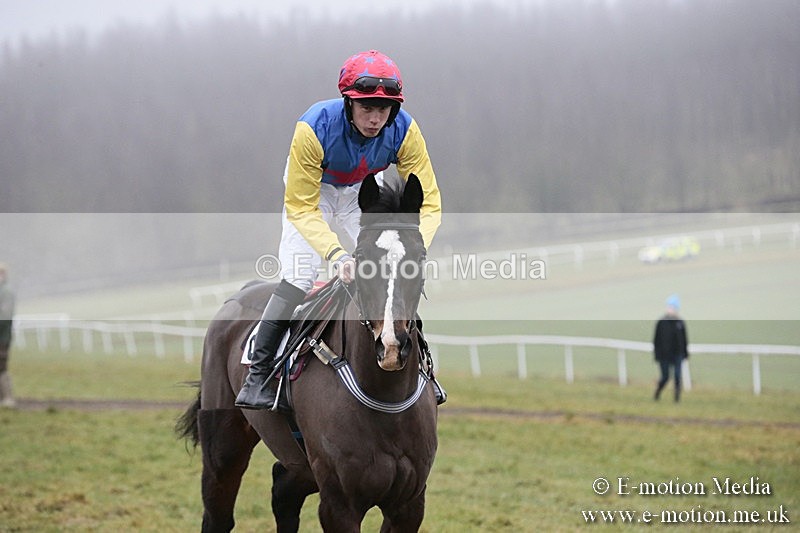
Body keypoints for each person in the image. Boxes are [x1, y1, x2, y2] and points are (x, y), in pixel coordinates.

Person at [236, 50, 442, 409]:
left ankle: (422, 365)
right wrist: (336, 255)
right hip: (313, 194)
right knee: (300, 276)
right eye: (366, 107)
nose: (376, 119)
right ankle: (258, 374)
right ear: (348, 102)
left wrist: (412, 246)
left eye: (384, 109)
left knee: (394, 267)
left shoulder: (405, 130)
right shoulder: (313, 127)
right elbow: (301, 207)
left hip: (360, 191)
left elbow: (429, 203)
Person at [653, 294, 689, 402]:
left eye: (673, 307)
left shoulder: (680, 323)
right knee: (666, 377)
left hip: (677, 354)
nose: (671, 310)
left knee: (678, 376)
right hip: (664, 355)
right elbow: (656, 340)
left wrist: (685, 354)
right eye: (670, 307)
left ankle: (677, 399)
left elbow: (684, 340)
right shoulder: (661, 323)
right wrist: (657, 355)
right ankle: (657, 393)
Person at [0, 263, 16, 409]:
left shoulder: (6, 292)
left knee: (1, 366)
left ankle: (8, 398)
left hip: (2, 337)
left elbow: (5, 316)